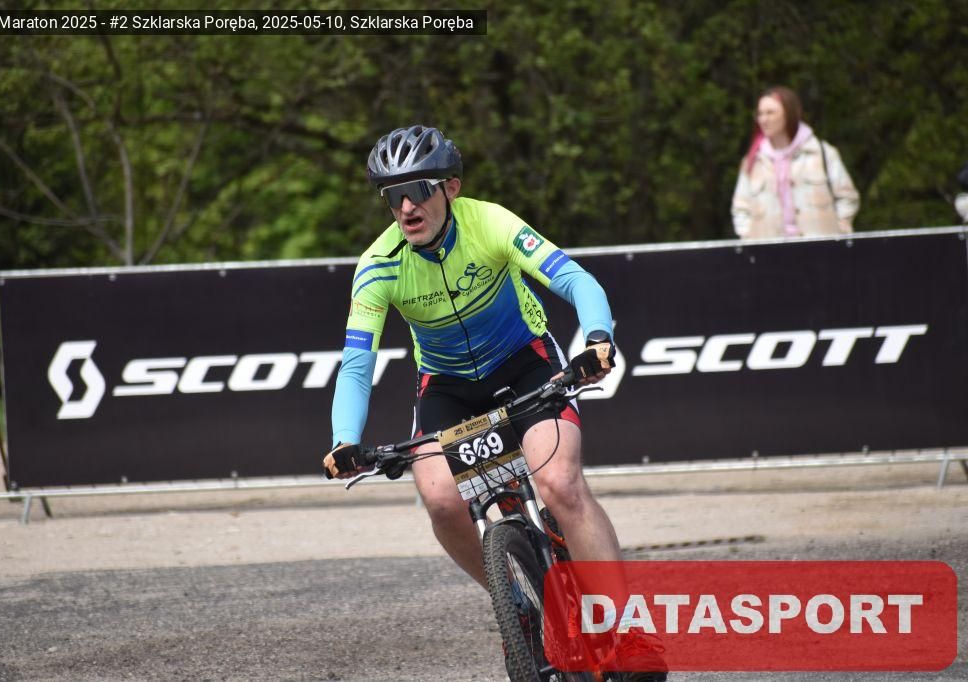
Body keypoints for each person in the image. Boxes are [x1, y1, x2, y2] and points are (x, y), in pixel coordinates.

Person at [322, 125, 667, 677]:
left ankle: (626, 629)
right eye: (393, 195)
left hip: (525, 361)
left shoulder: (492, 222)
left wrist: (598, 338)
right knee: (440, 499)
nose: (406, 207)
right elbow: (357, 362)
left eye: (418, 190)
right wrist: (345, 439)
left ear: (451, 188)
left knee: (560, 483)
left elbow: (576, 281)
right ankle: (521, 605)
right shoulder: (378, 265)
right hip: (448, 386)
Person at [731, 86, 860, 239]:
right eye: (760, 114)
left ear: (789, 113)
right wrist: (749, 237)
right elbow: (740, 209)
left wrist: (839, 231)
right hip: (770, 251)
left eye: (770, 113)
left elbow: (847, 198)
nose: (763, 119)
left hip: (819, 249)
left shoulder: (821, 153)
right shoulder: (752, 161)